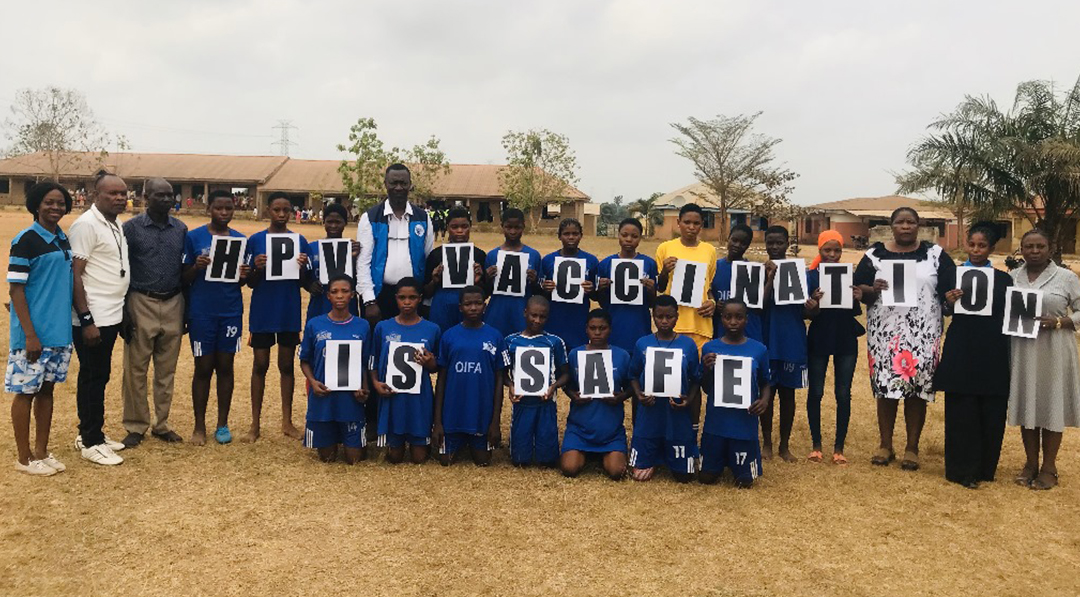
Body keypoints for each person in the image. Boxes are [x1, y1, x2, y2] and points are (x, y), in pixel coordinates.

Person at [854, 207, 955, 471]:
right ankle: (885, 444)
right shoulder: (874, 255)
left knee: (917, 389)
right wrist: (870, 289)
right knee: (885, 388)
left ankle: (912, 447)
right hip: (885, 333)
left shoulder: (936, 256)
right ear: (892, 225)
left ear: (919, 225)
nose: (906, 226)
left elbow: (948, 293)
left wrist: (951, 301)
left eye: (911, 222)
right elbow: (858, 290)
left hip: (924, 333)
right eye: (901, 222)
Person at [933, 223, 1012, 488]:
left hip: (994, 347)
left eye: (982, 246)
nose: (976, 250)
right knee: (960, 408)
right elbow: (943, 310)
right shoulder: (951, 275)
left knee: (991, 408)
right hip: (962, 345)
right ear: (966, 243)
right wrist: (949, 302)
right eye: (972, 244)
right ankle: (960, 469)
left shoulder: (1003, 279)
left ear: (991, 248)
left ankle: (985, 468)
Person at [7, 182, 74, 475]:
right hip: (33, 335)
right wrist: (30, 335)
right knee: (25, 392)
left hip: (59, 332)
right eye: (49, 202)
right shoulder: (25, 240)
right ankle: (24, 458)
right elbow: (16, 291)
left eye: (60, 203)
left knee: (47, 391)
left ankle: (42, 452)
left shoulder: (62, 239)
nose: (55, 207)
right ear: (36, 205)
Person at [1007, 229, 1080, 490]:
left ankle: (1049, 466)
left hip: (1055, 348)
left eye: (1040, 246)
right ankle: (1030, 463)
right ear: (1022, 249)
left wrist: (1063, 321)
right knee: (1028, 403)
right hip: (1022, 348)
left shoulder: (1066, 277)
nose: (1034, 251)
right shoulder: (1013, 276)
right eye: (1029, 247)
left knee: (1051, 404)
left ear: (1050, 248)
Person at [119, 178, 187, 448]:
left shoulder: (181, 229)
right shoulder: (131, 229)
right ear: (145, 197)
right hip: (140, 301)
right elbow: (121, 270)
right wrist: (124, 309)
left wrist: (186, 310)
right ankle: (135, 425)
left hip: (173, 302)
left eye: (170, 195)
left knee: (166, 370)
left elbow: (185, 271)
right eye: (160, 195)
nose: (167, 200)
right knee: (135, 369)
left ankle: (161, 424)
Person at [69, 171, 130, 465]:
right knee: (92, 376)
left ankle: (92, 431)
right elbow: (75, 275)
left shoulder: (115, 223)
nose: (120, 198)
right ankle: (90, 442)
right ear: (96, 195)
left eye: (123, 193)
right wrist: (86, 319)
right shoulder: (85, 225)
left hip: (112, 313)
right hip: (93, 316)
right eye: (113, 193)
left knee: (100, 375)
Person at [183, 190, 250, 445]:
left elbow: (242, 282)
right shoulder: (194, 237)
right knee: (202, 367)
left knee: (225, 366)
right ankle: (199, 426)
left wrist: (245, 275)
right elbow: (183, 278)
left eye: (228, 209)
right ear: (208, 208)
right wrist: (195, 267)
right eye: (218, 208)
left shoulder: (240, 240)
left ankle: (222, 424)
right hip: (202, 311)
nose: (223, 213)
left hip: (230, 311)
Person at [244, 192, 312, 442]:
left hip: (288, 310)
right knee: (260, 365)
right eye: (276, 210)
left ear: (292, 212)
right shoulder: (256, 240)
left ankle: (287, 421)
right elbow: (249, 283)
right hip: (263, 310)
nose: (281, 215)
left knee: (286, 365)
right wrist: (256, 269)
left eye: (286, 210)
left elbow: (305, 282)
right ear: (268, 211)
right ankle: (255, 424)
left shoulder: (299, 240)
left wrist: (303, 266)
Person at [804, 230, 864, 465]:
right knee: (816, 392)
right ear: (819, 251)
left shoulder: (849, 274)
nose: (832, 254)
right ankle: (816, 445)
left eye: (836, 250)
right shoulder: (811, 276)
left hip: (845, 338)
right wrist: (814, 302)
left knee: (843, 393)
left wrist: (857, 295)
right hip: (819, 336)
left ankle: (839, 448)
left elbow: (854, 310)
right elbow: (808, 314)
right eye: (826, 250)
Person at [627, 295, 701, 482]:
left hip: (676, 416)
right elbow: (633, 375)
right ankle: (652, 456)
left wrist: (688, 400)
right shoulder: (642, 343)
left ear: (677, 316)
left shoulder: (688, 345)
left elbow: (695, 379)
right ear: (653, 317)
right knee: (640, 475)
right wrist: (639, 394)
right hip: (650, 415)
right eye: (659, 317)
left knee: (685, 477)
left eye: (669, 317)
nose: (664, 321)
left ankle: (673, 455)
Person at [699, 300, 772, 488]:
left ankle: (734, 461)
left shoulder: (759, 349)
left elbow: (766, 382)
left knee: (744, 482)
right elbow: (706, 388)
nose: (733, 322)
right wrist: (707, 370)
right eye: (728, 317)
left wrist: (764, 400)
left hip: (743, 425)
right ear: (721, 319)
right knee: (706, 478)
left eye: (739, 317)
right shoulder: (710, 348)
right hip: (716, 424)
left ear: (747, 320)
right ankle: (720, 459)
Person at [299, 275, 371, 464]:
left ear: (353, 296)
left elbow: (364, 362)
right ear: (328, 296)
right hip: (324, 399)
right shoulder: (315, 324)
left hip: (350, 401)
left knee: (354, 459)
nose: (340, 296)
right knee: (327, 458)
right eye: (334, 291)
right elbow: (304, 360)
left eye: (345, 291)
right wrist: (313, 383)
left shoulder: (362, 326)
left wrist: (364, 389)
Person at [431, 286, 505, 466]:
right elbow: (441, 380)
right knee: (445, 461)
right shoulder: (449, 336)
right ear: (460, 307)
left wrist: (495, 423)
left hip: (481, 416)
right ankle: (457, 437)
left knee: (483, 461)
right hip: (452, 416)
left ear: (485, 306)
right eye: (468, 304)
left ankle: (473, 439)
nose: (473, 308)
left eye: (478, 303)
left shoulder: (495, 336)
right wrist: (438, 422)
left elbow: (499, 381)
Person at [369, 278, 440, 464]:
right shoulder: (383, 327)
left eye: (412, 297)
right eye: (402, 297)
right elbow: (373, 360)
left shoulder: (432, 329)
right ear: (395, 299)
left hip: (419, 398)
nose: (407, 302)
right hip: (392, 397)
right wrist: (375, 382)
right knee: (395, 457)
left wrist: (430, 362)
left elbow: (435, 368)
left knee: (419, 458)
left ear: (420, 299)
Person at [759, 225, 813, 462]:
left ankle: (784, 445)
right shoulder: (759, 271)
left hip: (791, 339)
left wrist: (814, 307)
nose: (774, 247)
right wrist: (769, 278)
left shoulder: (801, 272)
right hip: (767, 338)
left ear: (787, 243)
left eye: (779, 243)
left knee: (788, 394)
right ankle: (767, 443)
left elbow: (807, 311)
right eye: (770, 242)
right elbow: (760, 304)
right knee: (767, 392)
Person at [357, 164, 434, 323]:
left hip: (413, 298)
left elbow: (428, 260)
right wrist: (369, 301)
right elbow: (363, 262)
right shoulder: (370, 218)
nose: (398, 187)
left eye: (403, 183)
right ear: (385, 184)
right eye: (393, 183)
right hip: (379, 297)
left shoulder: (423, 218)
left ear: (410, 185)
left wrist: (425, 300)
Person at [561, 309, 632, 480]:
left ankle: (605, 453)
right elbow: (567, 384)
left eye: (603, 328)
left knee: (617, 472)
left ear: (610, 329)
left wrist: (620, 398)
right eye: (593, 328)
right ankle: (583, 451)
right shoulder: (575, 354)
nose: (598, 333)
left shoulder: (622, 355)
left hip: (611, 431)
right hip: (580, 429)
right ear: (586, 329)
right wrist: (574, 396)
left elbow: (632, 387)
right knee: (569, 469)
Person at [502, 296, 569, 467]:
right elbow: (502, 373)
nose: (537, 320)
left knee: (547, 461)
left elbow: (566, 374)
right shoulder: (510, 341)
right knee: (519, 460)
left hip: (545, 403)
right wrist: (511, 386)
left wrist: (553, 386)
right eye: (533, 315)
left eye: (542, 316)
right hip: (522, 403)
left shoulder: (555, 342)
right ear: (525, 313)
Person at [656, 204, 718, 353]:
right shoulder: (665, 248)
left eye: (696, 223)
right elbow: (660, 287)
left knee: (699, 373)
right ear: (678, 223)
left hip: (700, 324)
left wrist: (712, 303)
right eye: (686, 222)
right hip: (673, 324)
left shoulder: (709, 250)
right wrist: (665, 271)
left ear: (702, 225)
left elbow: (708, 286)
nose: (691, 227)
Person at [595, 218, 658, 354]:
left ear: (640, 238)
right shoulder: (606, 264)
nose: (629, 239)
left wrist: (651, 290)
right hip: (614, 324)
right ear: (618, 235)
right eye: (624, 235)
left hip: (639, 324)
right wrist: (601, 288)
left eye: (634, 236)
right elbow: (602, 303)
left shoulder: (649, 264)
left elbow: (652, 303)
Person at [423, 207, 487, 333]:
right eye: (454, 227)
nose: (460, 231)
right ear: (447, 228)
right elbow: (426, 292)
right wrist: (434, 281)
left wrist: (478, 281)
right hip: (442, 306)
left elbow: (486, 293)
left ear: (470, 227)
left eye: (464, 227)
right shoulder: (436, 255)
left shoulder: (479, 255)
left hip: (470, 305)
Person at [484, 208, 542, 337]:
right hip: (496, 312)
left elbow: (538, 292)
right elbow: (485, 291)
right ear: (502, 226)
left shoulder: (533, 255)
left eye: (517, 227)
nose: (513, 231)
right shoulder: (492, 255)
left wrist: (534, 281)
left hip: (521, 313)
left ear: (523, 227)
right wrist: (487, 278)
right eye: (508, 227)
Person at [541, 218, 599, 349]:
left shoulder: (591, 260)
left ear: (581, 236)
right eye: (566, 234)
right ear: (559, 237)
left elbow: (596, 296)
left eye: (575, 234)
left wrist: (592, 289)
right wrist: (545, 288)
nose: (571, 237)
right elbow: (539, 294)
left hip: (579, 319)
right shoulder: (548, 260)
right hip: (554, 319)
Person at [305, 203, 361, 322]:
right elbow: (304, 277)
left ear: (345, 223)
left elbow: (359, 280)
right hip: (319, 305)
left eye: (338, 222)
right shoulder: (312, 248)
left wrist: (354, 258)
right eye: (329, 222)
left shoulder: (352, 248)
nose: (333, 226)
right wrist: (309, 285)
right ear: (323, 222)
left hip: (347, 307)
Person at [710, 224, 764, 342]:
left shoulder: (753, 271)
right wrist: (714, 303)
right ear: (728, 238)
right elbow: (707, 292)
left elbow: (759, 306)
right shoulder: (714, 267)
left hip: (748, 332)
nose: (737, 245)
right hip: (721, 330)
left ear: (748, 246)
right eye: (734, 240)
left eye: (743, 243)